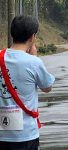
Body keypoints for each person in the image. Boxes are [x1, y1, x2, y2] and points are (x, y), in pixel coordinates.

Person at [0, 15, 55, 150]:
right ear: (32, 37)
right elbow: (47, 87)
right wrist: (34, 57)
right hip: (26, 134)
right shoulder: (33, 62)